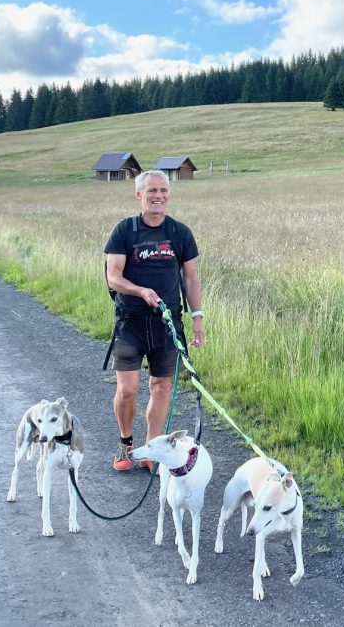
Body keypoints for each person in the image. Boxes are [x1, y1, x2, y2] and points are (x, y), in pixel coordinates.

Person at [104, 170, 205, 471]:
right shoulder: (125, 231)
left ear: (168, 195)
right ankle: (125, 446)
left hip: (168, 324)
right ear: (139, 195)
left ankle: (151, 451)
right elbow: (113, 277)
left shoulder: (179, 233)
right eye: (151, 191)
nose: (158, 196)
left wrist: (197, 318)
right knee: (127, 390)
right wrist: (141, 291)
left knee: (162, 387)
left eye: (163, 191)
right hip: (130, 323)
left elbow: (190, 278)